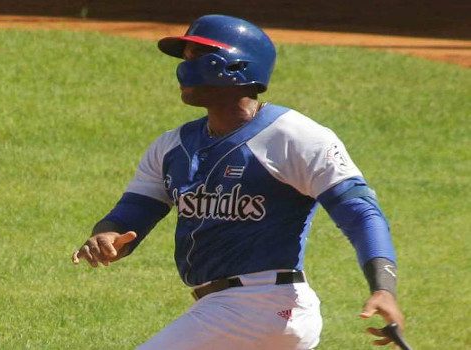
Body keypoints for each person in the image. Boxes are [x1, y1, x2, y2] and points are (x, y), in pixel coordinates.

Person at [71, 14, 405, 350]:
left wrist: (383, 289)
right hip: (241, 312)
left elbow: (360, 213)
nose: (183, 69)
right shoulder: (172, 146)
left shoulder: (295, 137)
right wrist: (107, 235)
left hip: (261, 305)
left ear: (234, 66)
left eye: (195, 59)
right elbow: (133, 212)